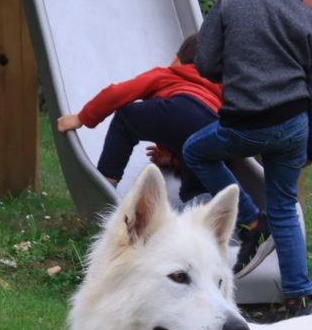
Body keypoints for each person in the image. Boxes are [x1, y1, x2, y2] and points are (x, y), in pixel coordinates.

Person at [182, 0, 312, 319]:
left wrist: (238, 65)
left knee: (195, 151)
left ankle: (252, 219)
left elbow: (205, 64)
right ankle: (300, 299)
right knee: (285, 205)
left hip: (242, 124)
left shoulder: (230, 4)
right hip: (292, 127)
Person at [56, 34, 220, 204]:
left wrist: (82, 118)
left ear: (176, 60)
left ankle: (107, 182)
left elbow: (117, 92)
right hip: (212, 122)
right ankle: (198, 203)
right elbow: (191, 128)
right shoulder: (221, 87)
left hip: (175, 108)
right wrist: (174, 160)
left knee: (126, 119)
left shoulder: (169, 74)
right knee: (201, 160)